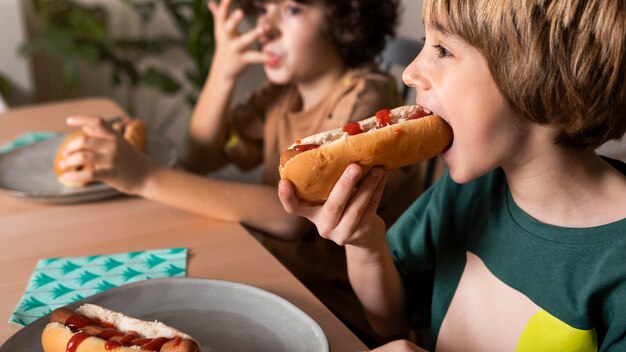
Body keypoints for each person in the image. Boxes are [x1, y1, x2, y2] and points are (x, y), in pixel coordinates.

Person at [57, 0, 419, 345]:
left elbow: (291, 217)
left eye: (292, 8)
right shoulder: (281, 95)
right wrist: (223, 70)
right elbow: (202, 156)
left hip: (346, 314)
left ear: (348, 16)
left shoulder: (366, 95)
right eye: (263, 9)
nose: (265, 26)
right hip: (285, 280)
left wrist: (144, 178)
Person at [278, 0, 626, 351]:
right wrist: (365, 242)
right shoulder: (469, 191)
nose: (409, 72)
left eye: (443, 49)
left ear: (544, 74)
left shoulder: (617, 266)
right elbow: (390, 317)